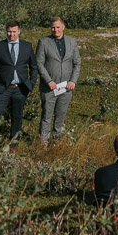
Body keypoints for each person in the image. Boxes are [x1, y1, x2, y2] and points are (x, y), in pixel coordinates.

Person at [0, 20, 38, 147]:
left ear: (19, 31)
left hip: (20, 88)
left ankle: (14, 143)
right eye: (9, 31)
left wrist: (31, 83)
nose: (11, 34)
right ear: (6, 31)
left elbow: (34, 67)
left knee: (17, 117)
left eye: (14, 32)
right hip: (2, 88)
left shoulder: (27, 46)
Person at [35, 17, 82, 146]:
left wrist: (73, 81)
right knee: (46, 116)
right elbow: (39, 63)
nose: (55, 30)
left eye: (57, 27)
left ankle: (57, 142)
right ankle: (43, 143)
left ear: (63, 27)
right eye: (52, 27)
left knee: (60, 116)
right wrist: (48, 80)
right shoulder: (44, 42)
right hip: (49, 87)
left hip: (66, 87)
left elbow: (77, 63)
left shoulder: (71, 42)